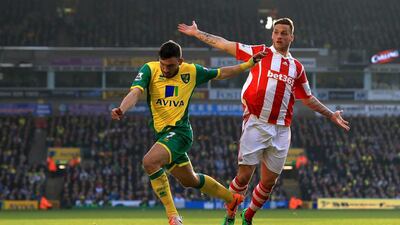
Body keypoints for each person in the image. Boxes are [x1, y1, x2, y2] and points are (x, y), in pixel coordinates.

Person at [178, 18, 350, 225]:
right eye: (276, 32)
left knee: (269, 182)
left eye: (284, 33)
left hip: (282, 129)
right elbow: (224, 43)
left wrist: (331, 114)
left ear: (291, 37)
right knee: (243, 177)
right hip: (256, 123)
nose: (279, 36)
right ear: (272, 35)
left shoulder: (297, 68)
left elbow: (307, 98)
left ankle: (248, 216)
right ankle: (230, 214)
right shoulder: (260, 52)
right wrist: (198, 33)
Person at [111, 40, 267, 225]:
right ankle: (232, 199)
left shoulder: (191, 72)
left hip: (180, 133)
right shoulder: (150, 69)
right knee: (190, 180)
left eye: (170, 65)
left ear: (180, 61)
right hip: (163, 135)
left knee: (150, 162)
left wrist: (249, 64)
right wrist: (122, 108)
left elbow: (221, 73)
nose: (165, 69)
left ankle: (173, 216)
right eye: (163, 64)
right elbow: (136, 92)